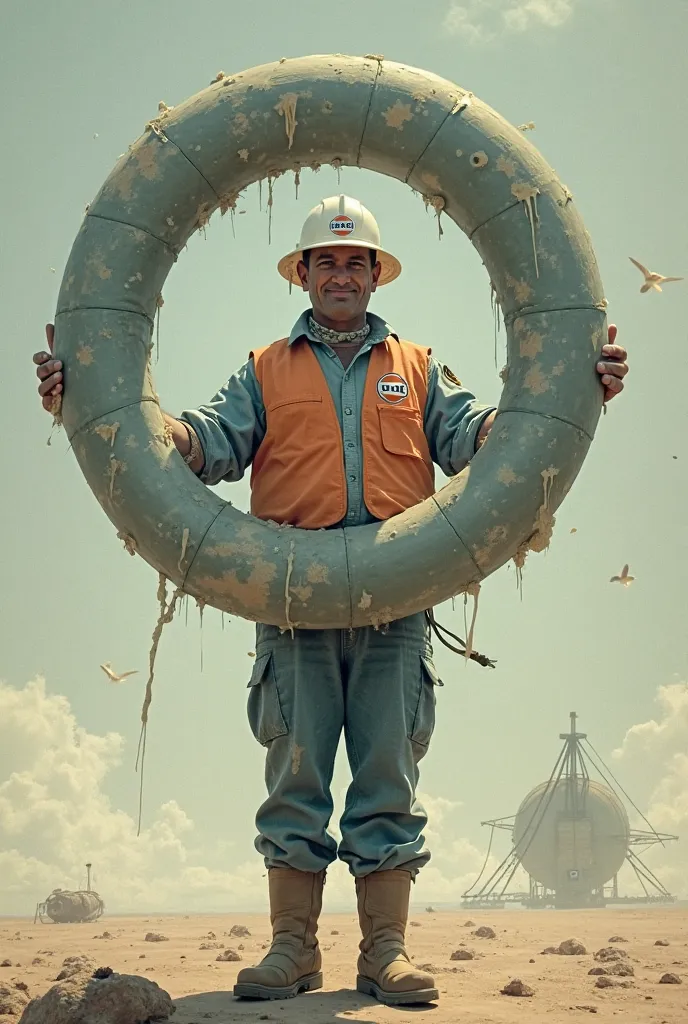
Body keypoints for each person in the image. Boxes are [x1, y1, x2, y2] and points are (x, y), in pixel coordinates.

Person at [34, 195, 629, 1006]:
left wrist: (572, 392)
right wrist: (109, 405)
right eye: (328, 262)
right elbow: (207, 443)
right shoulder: (264, 369)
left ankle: (386, 953)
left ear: (375, 275)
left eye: (357, 262)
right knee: (297, 777)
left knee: (389, 777)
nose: (342, 274)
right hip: (293, 609)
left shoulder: (417, 368)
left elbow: (478, 438)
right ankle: (293, 951)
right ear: (304, 275)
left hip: (397, 608)